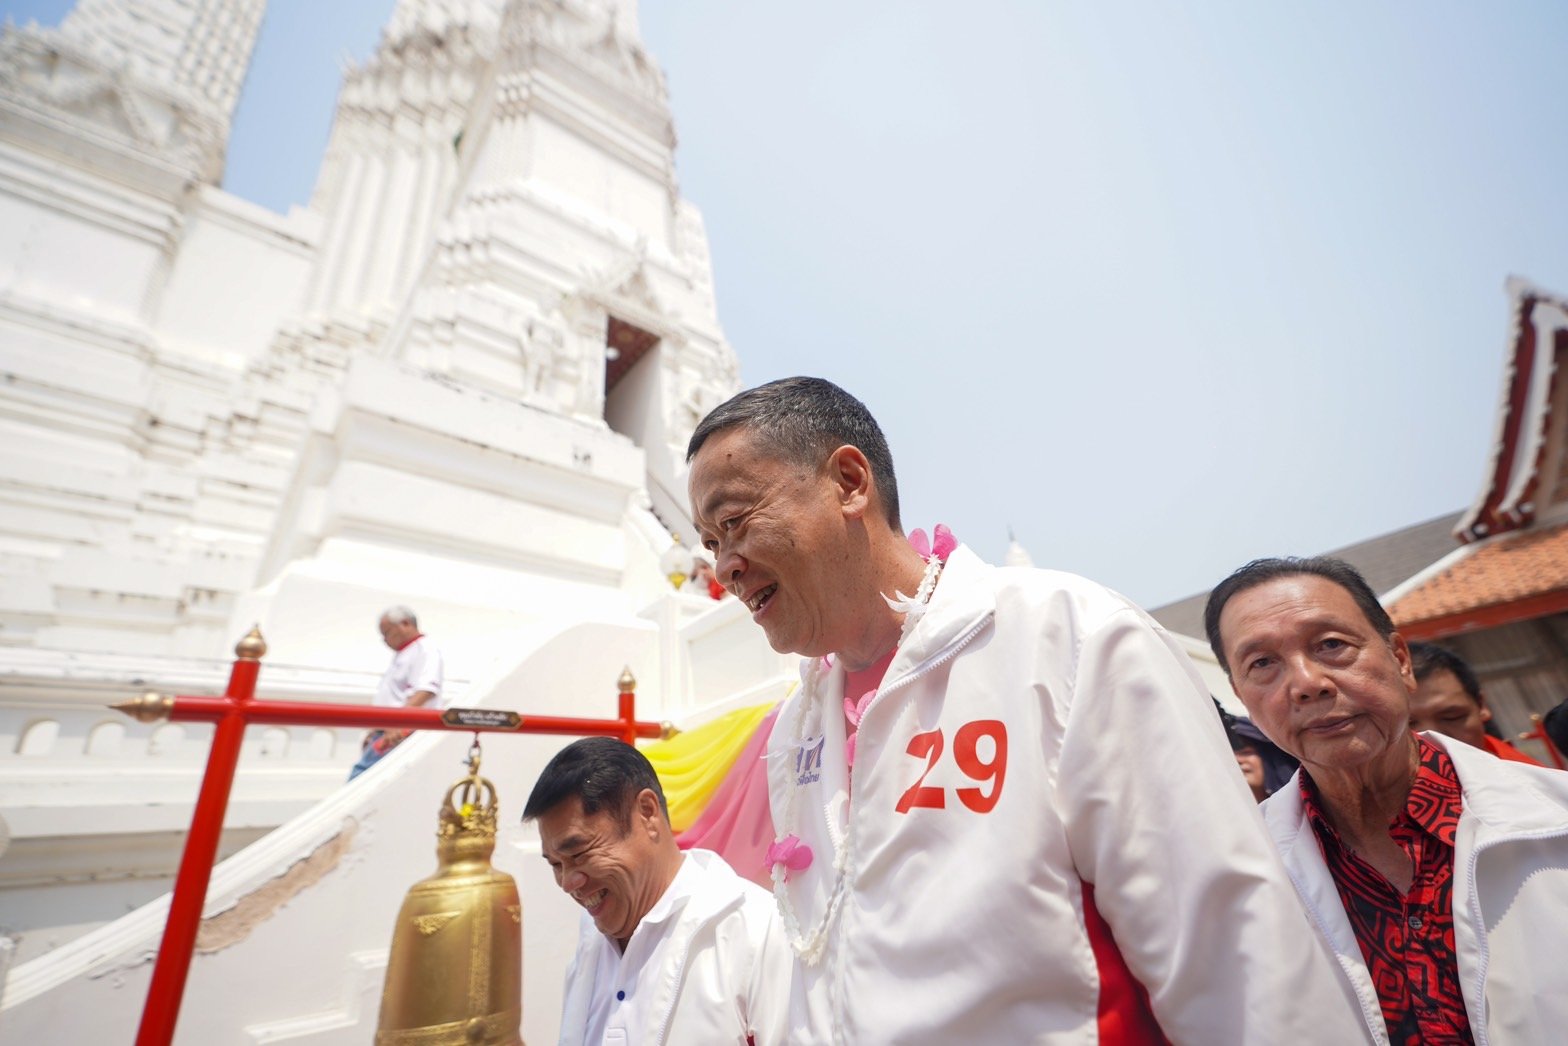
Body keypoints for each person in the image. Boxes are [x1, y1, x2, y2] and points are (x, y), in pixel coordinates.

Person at [685, 377, 1365, 1044]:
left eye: (735, 522)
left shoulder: (1069, 639)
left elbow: (1240, 963)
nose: (724, 566)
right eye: (711, 542)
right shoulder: (797, 727)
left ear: (849, 483)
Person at [1205, 556, 1568, 1045]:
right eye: (1262, 663)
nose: (1308, 684)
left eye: (1331, 645)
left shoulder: (1554, 816)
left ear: (1399, 659)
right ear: (1243, 697)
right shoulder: (1233, 880)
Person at [523, 737, 788, 1046]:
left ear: (647, 813)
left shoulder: (757, 932)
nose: (568, 882)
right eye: (556, 864)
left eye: (578, 854)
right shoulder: (591, 941)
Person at [1407, 641, 1544, 765]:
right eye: (1407, 725)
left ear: (1482, 706)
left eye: (1452, 717)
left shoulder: (1538, 785)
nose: (1434, 738)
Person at [347, 605, 444, 780]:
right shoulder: (407, 652)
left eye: (387, 633)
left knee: (359, 779)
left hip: (396, 732)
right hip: (387, 730)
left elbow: (425, 691)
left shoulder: (425, 649)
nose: (385, 640)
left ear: (405, 624)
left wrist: (397, 723)